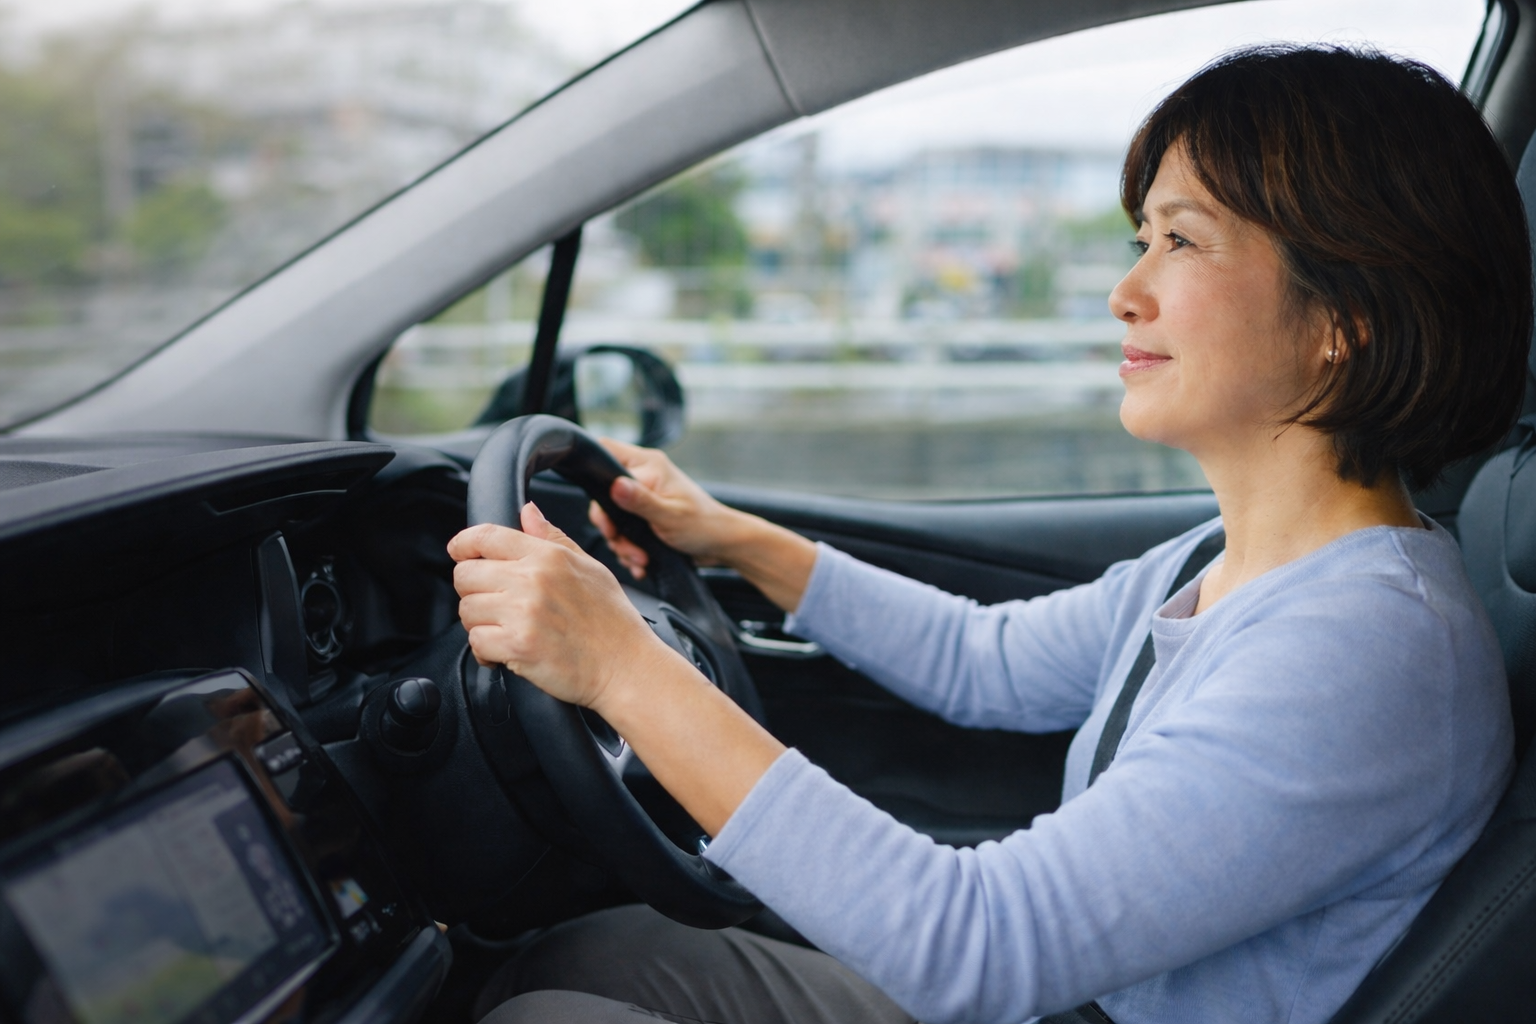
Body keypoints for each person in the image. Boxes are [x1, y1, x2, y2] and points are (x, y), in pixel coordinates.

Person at [447, 45, 1532, 1024]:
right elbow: (986, 661)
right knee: (590, 955)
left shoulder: (1364, 648)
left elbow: (981, 946)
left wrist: (620, 663)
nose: (1125, 292)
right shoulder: (1230, 558)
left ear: (1346, 318)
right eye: (1142, 240)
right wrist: (731, 538)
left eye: (1183, 241)